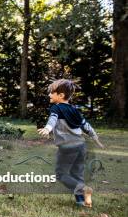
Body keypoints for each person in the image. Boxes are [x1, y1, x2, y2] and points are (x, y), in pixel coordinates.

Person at [37, 79, 104, 207]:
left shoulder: (56, 108)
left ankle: (84, 189)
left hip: (67, 148)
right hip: (81, 146)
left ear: (61, 95)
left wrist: (47, 129)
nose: (49, 95)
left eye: (52, 92)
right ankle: (81, 202)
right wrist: (96, 139)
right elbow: (86, 126)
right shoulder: (74, 110)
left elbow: (52, 119)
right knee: (76, 173)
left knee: (61, 174)